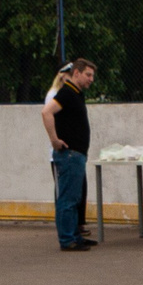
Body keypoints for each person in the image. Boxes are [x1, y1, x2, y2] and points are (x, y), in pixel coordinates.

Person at [43, 58, 97, 252]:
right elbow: (46, 112)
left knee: (74, 198)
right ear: (76, 73)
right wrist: (54, 140)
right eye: (88, 75)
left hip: (77, 154)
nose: (91, 79)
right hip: (69, 154)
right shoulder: (66, 92)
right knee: (67, 198)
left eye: (92, 75)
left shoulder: (76, 94)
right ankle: (67, 239)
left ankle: (75, 235)